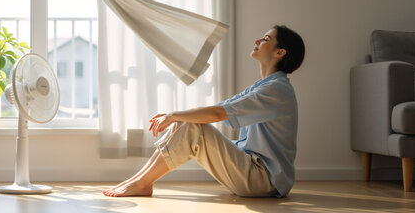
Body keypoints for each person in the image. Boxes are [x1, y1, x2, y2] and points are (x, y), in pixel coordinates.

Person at [103, 25, 305, 198]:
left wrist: (174, 115)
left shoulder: (276, 90)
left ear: (280, 52)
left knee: (192, 127)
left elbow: (218, 114)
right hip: (255, 171)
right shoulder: (264, 86)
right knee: (187, 123)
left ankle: (141, 184)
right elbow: (220, 107)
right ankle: (139, 181)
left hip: (264, 180)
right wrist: (178, 117)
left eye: (266, 39)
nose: (258, 40)